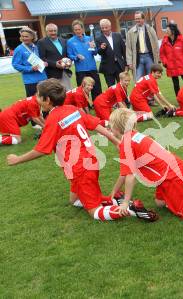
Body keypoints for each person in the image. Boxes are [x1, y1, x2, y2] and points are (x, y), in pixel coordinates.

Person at [6, 79, 157, 222]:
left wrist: (17, 159)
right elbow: (96, 125)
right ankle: (114, 200)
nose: (36, 97)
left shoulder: (53, 119)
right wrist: (115, 141)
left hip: (79, 168)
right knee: (75, 201)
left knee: (94, 211)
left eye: (38, 95)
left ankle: (131, 209)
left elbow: (41, 150)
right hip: (89, 161)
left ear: (47, 100)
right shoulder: (72, 109)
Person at [67, 19, 102, 101]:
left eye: (79, 29)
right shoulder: (70, 42)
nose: (78, 31)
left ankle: (97, 103)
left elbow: (95, 53)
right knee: (82, 90)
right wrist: (76, 57)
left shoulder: (89, 38)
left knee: (96, 87)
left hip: (92, 67)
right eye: (75, 30)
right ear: (73, 30)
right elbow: (69, 55)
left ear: (82, 29)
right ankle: (85, 105)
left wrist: (93, 48)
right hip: (81, 70)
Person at [12, 27, 47, 97]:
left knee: (45, 100)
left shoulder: (36, 47)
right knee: (33, 102)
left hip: (43, 78)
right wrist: (30, 68)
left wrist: (44, 63)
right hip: (30, 81)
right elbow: (15, 65)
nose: (24, 38)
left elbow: (40, 59)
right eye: (22, 36)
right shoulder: (19, 49)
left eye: (26, 36)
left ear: (32, 37)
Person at [159, 23, 183, 97]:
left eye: (167, 30)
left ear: (173, 31)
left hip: (182, 65)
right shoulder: (164, 41)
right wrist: (165, 62)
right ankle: (179, 98)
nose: (166, 32)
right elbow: (162, 54)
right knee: (176, 85)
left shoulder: (182, 40)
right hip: (171, 67)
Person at [37, 23, 72, 90]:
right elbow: (42, 58)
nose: (53, 33)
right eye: (50, 31)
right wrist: (55, 64)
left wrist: (69, 62)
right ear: (46, 32)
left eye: (54, 30)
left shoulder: (63, 41)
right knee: (56, 94)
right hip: (52, 74)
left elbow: (67, 55)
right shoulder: (41, 42)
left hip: (64, 72)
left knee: (68, 93)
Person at [126, 11, 160, 80]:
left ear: (143, 19)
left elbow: (156, 44)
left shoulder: (151, 29)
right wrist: (129, 62)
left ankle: (151, 91)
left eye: (139, 18)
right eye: (136, 19)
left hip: (149, 57)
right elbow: (128, 48)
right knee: (138, 80)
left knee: (151, 79)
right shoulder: (130, 32)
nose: (137, 20)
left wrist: (158, 58)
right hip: (137, 58)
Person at [96, 19, 126, 87]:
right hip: (107, 67)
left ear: (110, 26)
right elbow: (99, 52)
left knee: (122, 86)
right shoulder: (99, 39)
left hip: (119, 65)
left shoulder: (118, 35)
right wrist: (101, 48)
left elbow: (124, 50)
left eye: (106, 27)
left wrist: (126, 64)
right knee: (111, 88)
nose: (104, 29)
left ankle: (124, 98)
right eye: (102, 28)